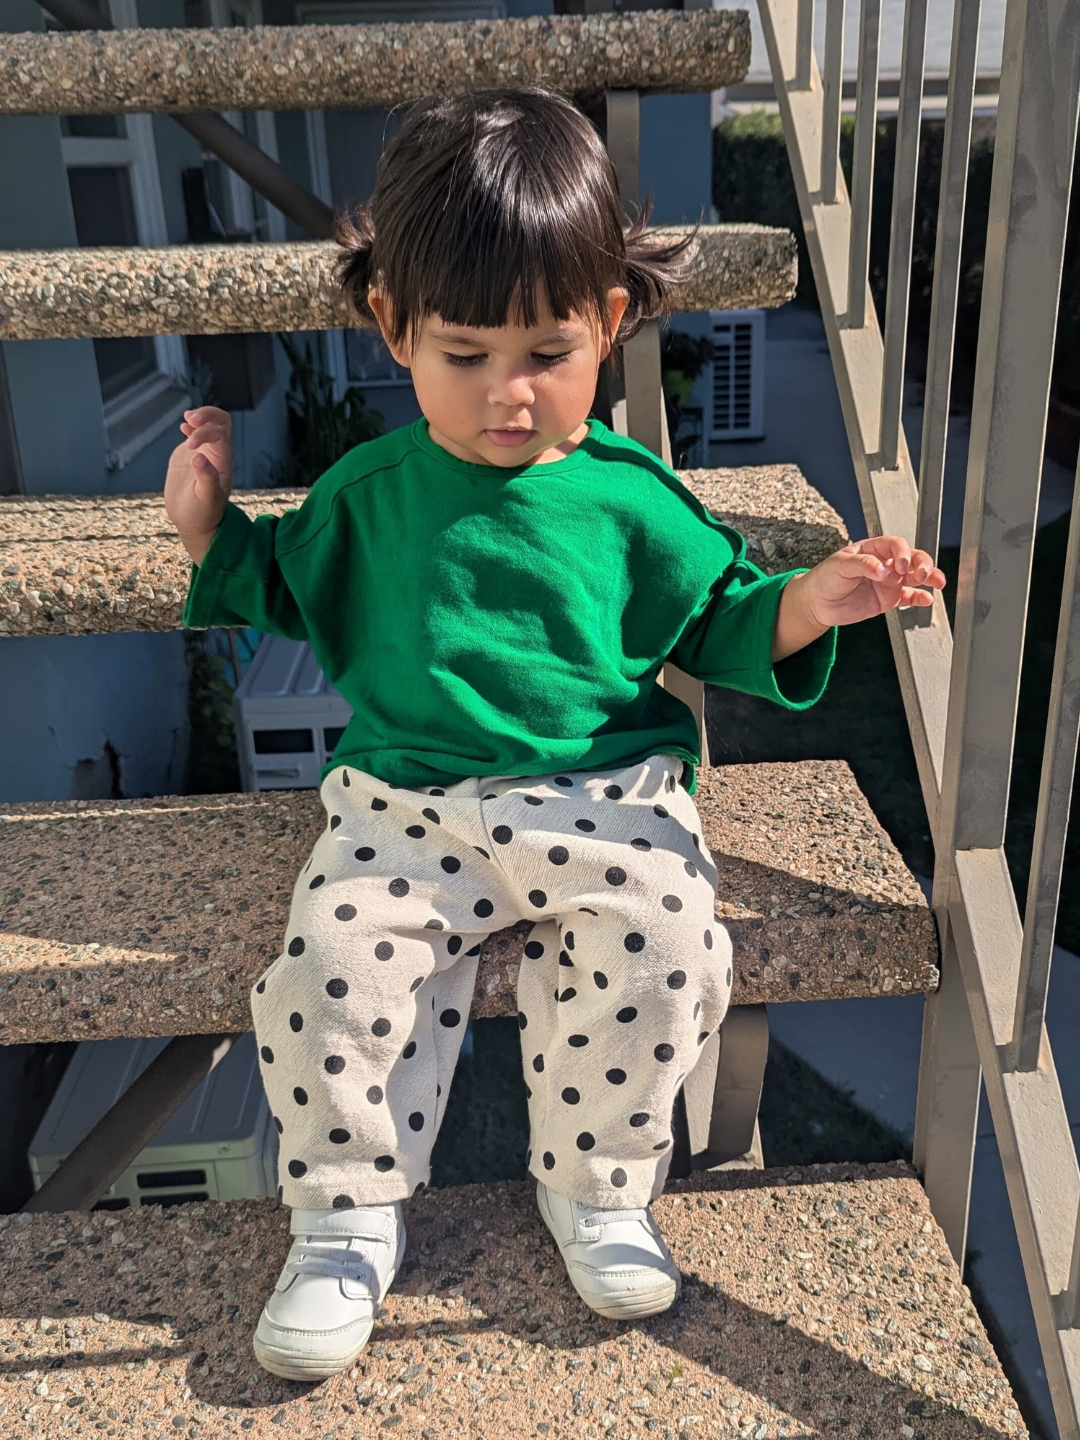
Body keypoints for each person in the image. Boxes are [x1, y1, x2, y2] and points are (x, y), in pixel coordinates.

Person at [164, 86, 945, 1382]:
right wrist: (207, 526)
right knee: (331, 966)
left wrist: (819, 599)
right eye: (463, 356)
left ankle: (599, 1186)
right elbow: (278, 585)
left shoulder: (628, 500)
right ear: (392, 325)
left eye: (546, 353)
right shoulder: (367, 492)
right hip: (406, 801)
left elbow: (722, 620)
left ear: (611, 325)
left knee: (669, 946)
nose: (507, 395)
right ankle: (346, 1215)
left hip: (608, 790)